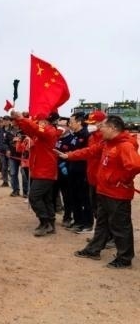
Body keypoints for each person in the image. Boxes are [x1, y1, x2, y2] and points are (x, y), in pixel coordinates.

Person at [57, 115, 140, 269]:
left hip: (117, 194)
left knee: (120, 226)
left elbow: (135, 166)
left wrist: (119, 179)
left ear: (113, 128)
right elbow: (90, 151)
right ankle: (94, 250)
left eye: (103, 127)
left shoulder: (125, 145)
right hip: (104, 191)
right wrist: (69, 156)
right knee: (102, 224)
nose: (100, 130)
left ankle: (124, 258)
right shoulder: (107, 143)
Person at [11, 110, 60, 236]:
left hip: (45, 171)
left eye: (39, 121)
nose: (37, 123)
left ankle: (45, 222)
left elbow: (35, 128)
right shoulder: (40, 133)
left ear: (45, 121)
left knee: (34, 197)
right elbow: (29, 129)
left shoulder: (49, 131)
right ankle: (50, 223)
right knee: (46, 198)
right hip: (40, 170)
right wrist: (18, 120)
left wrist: (22, 118)